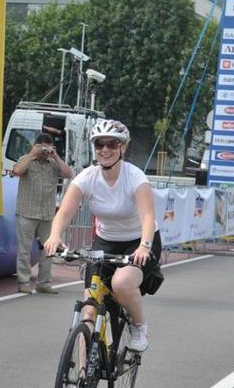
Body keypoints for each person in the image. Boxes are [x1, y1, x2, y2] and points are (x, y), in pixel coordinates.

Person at [43, 119, 160, 355]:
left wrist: (144, 246)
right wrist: (55, 236)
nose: (105, 150)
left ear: (123, 147)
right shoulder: (87, 177)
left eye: (112, 144)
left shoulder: (135, 177)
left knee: (121, 284)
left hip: (138, 240)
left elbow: (148, 216)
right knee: (89, 311)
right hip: (106, 240)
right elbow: (64, 212)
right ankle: (81, 375)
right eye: (99, 145)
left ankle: (138, 326)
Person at [11, 132, 73, 294]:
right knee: (24, 249)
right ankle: (23, 282)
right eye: (42, 147)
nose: (45, 151)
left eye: (48, 147)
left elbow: (68, 174)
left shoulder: (53, 163)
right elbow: (17, 170)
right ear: (36, 146)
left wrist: (56, 155)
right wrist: (32, 154)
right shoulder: (26, 159)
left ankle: (44, 283)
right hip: (26, 211)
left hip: (47, 213)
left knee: (49, 249)